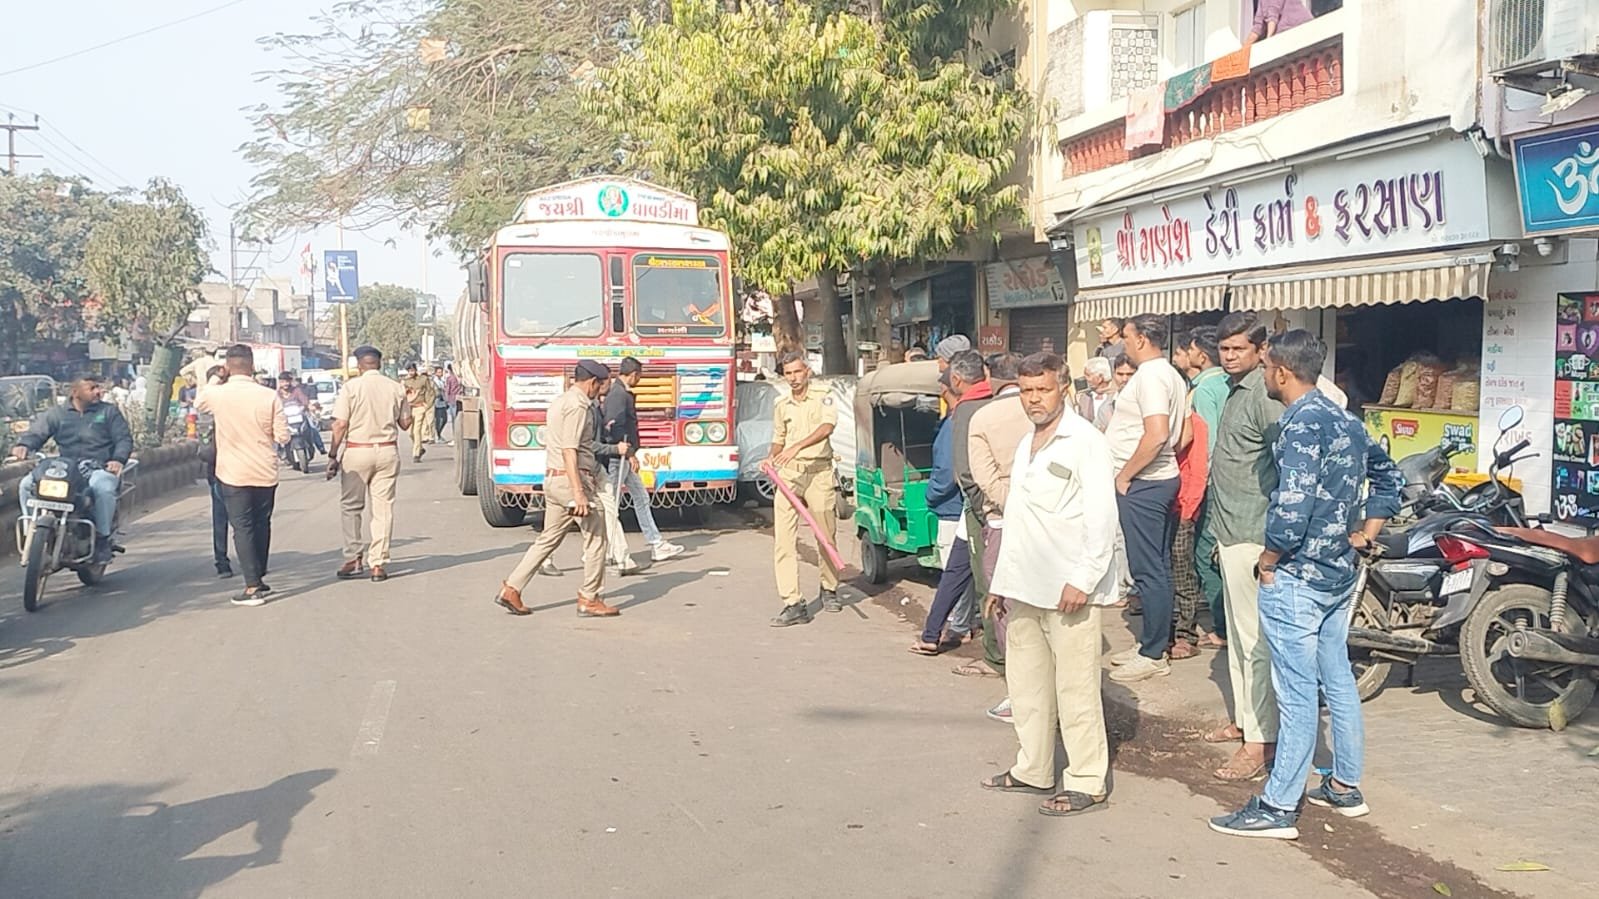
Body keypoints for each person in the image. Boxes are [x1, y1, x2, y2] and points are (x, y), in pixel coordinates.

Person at [1209, 329, 1402, 840]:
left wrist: (1269, 558)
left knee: (1295, 695)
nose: (1263, 373)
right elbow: (1390, 479)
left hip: (1298, 576)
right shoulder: (1346, 419)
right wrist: (1366, 532)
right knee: (1336, 679)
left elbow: (1292, 506)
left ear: (1281, 373)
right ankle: (1345, 785)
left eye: (1267, 365)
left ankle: (1278, 806)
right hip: (1339, 572)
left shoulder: (1298, 427)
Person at [979, 352, 1117, 817]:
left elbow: (1102, 518)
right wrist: (1001, 583)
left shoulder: (1086, 442)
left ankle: (1086, 779)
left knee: (1075, 688)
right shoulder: (1027, 444)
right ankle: (1033, 769)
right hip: (1025, 585)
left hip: (1068, 589)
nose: (1034, 399)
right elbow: (1017, 519)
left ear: (1064, 388)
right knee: (1027, 687)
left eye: (1043, 389)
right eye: (1027, 391)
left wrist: (1083, 578)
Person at [1205, 311, 1284, 781]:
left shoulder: (1263, 395)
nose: (1230, 356)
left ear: (1260, 350)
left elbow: (1285, 462)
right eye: (1225, 349)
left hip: (1255, 534)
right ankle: (1245, 723)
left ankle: (1261, 743)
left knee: (1255, 643)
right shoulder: (1234, 390)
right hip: (1230, 530)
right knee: (1238, 639)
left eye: (1239, 349)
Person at [493, 360, 621, 619]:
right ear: (592, 382)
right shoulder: (578, 407)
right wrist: (578, 493)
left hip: (553, 480)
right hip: (570, 481)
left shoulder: (560, 401)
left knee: (548, 538)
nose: (602, 390)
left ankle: (512, 588)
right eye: (602, 384)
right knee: (597, 537)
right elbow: (569, 450)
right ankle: (590, 597)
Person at [1105, 315, 1188, 684]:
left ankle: (1154, 652)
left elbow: (1158, 434)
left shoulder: (1152, 376)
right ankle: (1152, 645)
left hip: (1145, 482)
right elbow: (1180, 436)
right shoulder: (1170, 374)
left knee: (1148, 569)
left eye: (1125, 337)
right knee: (1156, 566)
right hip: (1157, 478)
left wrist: (1126, 474)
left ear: (1140, 339)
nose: (1122, 343)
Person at [956, 352, 1031, 723]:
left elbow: (977, 476)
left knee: (1002, 604)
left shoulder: (981, 416)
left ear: (990, 375)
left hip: (1002, 521)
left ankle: (1020, 693)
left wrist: (1008, 504)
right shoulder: (1053, 413)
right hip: (1045, 524)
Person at [911, 352, 989, 654]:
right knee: (963, 573)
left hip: (963, 509)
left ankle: (954, 628)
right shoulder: (989, 407)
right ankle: (940, 631)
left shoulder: (961, 417)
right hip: (974, 506)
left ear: (954, 384)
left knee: (959, 573)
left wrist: (931, 497)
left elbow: (951, 472)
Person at [199, 345, 289, 606]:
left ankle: (252, 587)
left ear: (229, 366)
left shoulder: (220, 394)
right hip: (264, 469)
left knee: (242, 527)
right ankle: (259, 575)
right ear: (252, 366)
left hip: (233, 472)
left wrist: (217, 376)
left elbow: (200, 400)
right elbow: (283, 436)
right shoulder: (268, 395)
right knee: (262, 523)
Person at [10, 374, 133, 564]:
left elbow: (123, 439)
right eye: (91, 388)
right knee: (27, 484)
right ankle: (31, 533)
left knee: (104, 488)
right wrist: (24, 445)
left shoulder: (108, 412)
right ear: (75, 392)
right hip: (65, 468)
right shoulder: (57, 414)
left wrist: (117, 459)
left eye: (98, 387)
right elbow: (37, 433)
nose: (98, 392)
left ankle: (102, 540)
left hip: (97, 467)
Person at [327, 346, 411, 583]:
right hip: (387, 451)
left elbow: (340, 424)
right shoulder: (396, 388)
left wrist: (333, 455)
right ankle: (378, 563)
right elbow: (405, 423)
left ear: (359, 365)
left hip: (357, 450)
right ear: (380, 364)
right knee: (383, 509)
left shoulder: (351, 388)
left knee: (352, 507)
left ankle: (354, 557)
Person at [768, 350, 840, 627]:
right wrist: (771, 456)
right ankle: (793, 602)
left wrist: (798, 446)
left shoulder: (824, 394)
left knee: (826, 534)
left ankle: (829, 588)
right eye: (788, 374)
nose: (794, 378)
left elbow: (827, 426)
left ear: (807, 370)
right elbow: (778, 438)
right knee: (783, 541)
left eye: (798, 372)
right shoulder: (781, 403)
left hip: (818, 471)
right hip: (788, 475)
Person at [601, 357, 685, 572]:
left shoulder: (620, 393)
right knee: (611, 506)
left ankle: (656, 543)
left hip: (625, 458)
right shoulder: (618, 395)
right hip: (619, 459)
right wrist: (628, 454)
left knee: (640, 496)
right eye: (639, 376)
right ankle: (603, 550)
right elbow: (615, 427)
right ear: (634, 374)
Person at [1184, 326, 1229, 650]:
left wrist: (1201, 485)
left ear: (1200, 354)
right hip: (1236, 480)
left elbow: (1207, 442)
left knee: (1205, 554)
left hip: (1214, 481)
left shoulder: (1204, 390)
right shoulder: (1234, 383)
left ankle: (1222, 628)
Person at [1170, 409, 1210, 660]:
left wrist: (1188, 509)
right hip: (1154, 504)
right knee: (1159, 572)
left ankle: (1186, 634)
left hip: (1182, 505)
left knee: (1183, 570)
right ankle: (1163, 633)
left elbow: (1198, 470)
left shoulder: (1195, 423)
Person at [196, 365, 233, 578]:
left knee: (235, 517)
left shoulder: (226, 400)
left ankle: (232, 560)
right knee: (222, 515)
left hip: (234, 465)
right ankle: (222, 559)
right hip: (218, 467)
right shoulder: (210, 403)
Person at [401, 363, 437, 461]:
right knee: (411, 434)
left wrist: (427, 405)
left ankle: (416, 454)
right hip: (409, 408)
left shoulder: (423, 380)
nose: (411, 372)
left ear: (415, 370)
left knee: (417, 431)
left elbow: (430, 392)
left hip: (420, 407)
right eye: (409, 370)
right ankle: (420, 448)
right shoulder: (405, 381)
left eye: (413, 370)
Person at [1077, 357, 1116, 425]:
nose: (1085, 378)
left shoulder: (1115, 396)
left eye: (1088, 375)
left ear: (1100, 377)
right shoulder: (1084, 397)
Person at [443, 363, 463, 444]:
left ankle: (455, 438)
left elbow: (448, 390)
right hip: (459, 399)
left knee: (454, 420)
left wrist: (446, 400)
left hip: (452, 399)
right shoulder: (460, 379)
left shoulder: (450, 378)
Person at [431, 365, 449, 444]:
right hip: (436, 402)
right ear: (435, 373)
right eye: (438, 372)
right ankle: (438, 436)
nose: (440, 373)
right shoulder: (433, 381)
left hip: (443, 402)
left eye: (441, 372)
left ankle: (439, 434)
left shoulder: (442, 380)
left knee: (445, 419)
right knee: (439, 420)